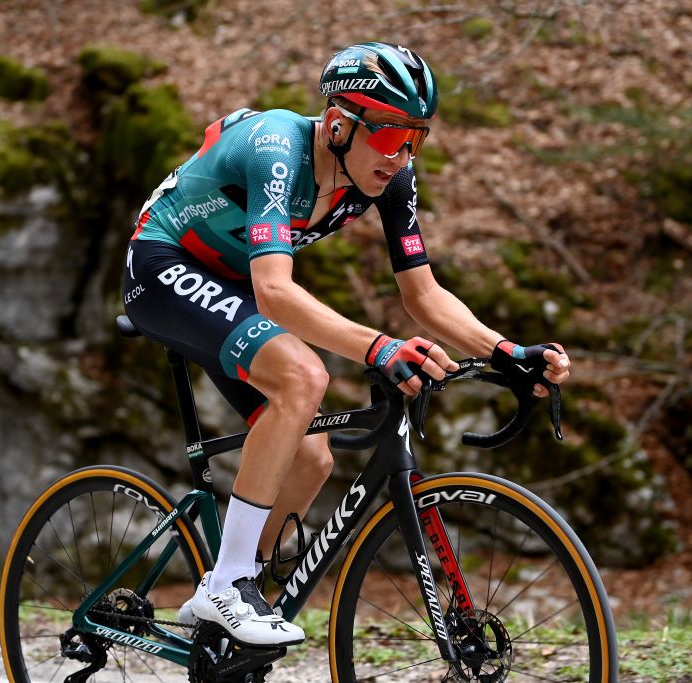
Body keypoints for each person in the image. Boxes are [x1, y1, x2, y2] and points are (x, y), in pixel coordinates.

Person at [121, 42, 571, 647]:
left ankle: (227, 603)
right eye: (390, 134)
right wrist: (379, 348)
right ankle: (226, 584)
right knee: (303, 377)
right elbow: (276, 293)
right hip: (163, 265)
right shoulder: (278, 147)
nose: (403, 154)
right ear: (338, 125)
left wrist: (505, 352)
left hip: (235, 282)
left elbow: (423, 294)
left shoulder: (391, 178)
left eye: (417, 137)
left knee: (311, 457)